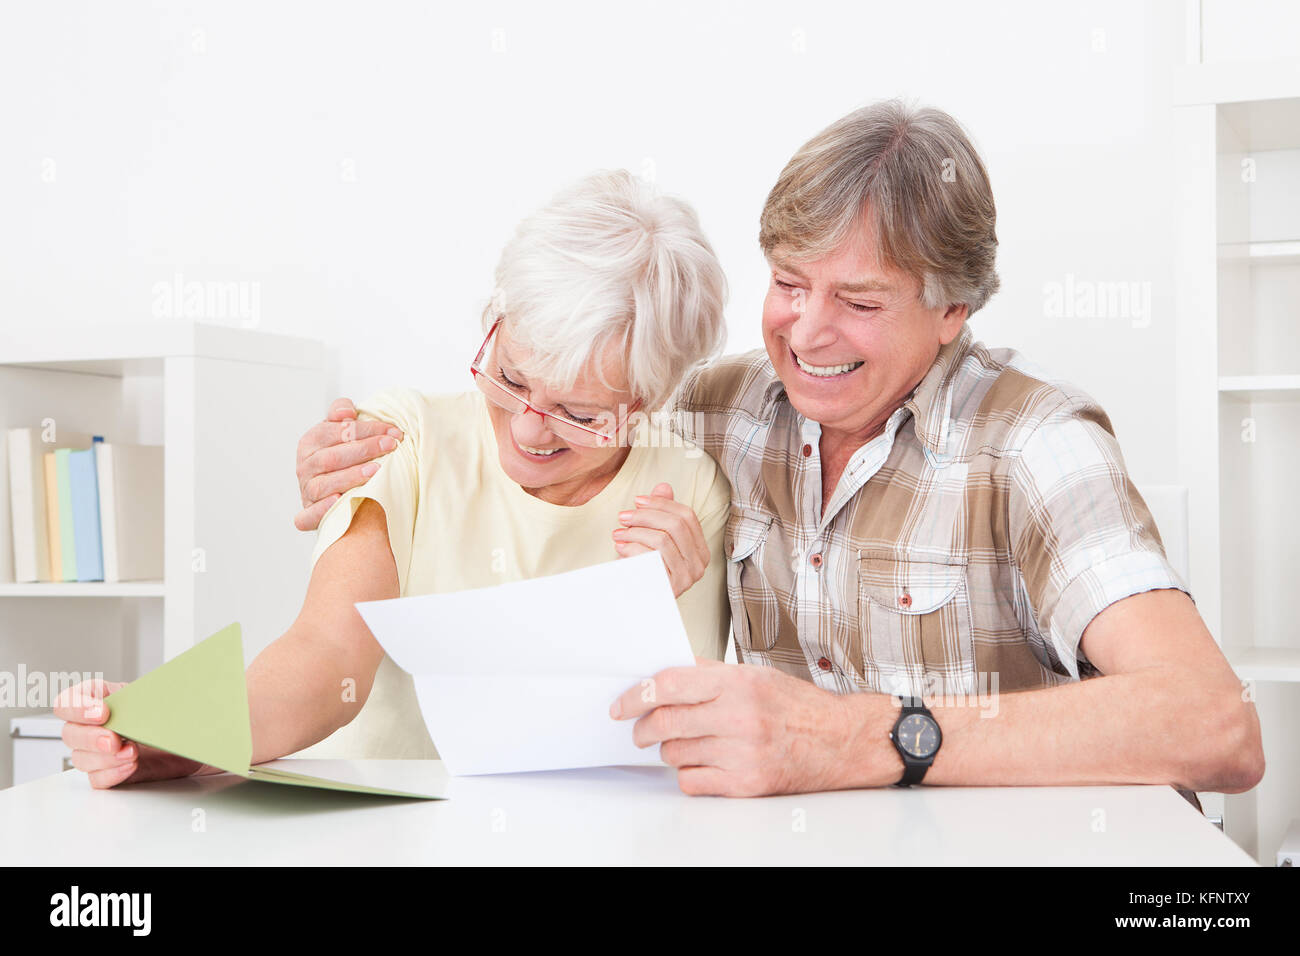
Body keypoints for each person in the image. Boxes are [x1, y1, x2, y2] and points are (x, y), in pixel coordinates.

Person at [296, 100, 1266, 798]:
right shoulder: (720, 410)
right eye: (789, 281)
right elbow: (551, 393)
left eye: (859, 300)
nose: (804, 332)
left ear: (952, 312)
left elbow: (1214, 724)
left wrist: (872, 735)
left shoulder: (1032, 444)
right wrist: (361, 456)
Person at [55, 169, 732, 785]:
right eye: (511, 378)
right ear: (493, 326)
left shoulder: (685, 490)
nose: (527, 431)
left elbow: (670, 737)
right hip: (373, 823)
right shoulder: (400, 437)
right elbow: (324, 655)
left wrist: (636, 605)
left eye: (577, 413)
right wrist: (184, 731)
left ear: (650, 400)